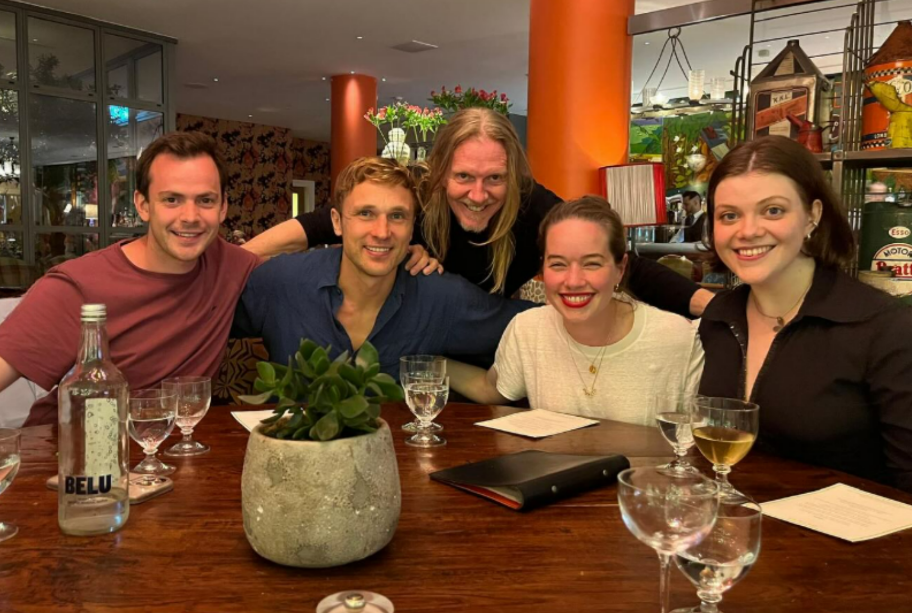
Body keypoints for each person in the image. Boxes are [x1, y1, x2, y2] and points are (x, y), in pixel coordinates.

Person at [243, 108, 714, 318]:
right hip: (415, 345)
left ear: (514, 177)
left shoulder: (533, 207)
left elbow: (624, 266)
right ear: (440, 172)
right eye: (464, 177)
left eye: (495, 179)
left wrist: (714, 307)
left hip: (488, 344)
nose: (478, 194)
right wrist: (236, 264)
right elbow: (315, 226)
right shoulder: (415, 199)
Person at [0, 132, 261, 426]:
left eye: (205, 200)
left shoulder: (232, 266)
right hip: (66, 445)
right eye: (171, 199)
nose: (190, 216)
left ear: (223, 207)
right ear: (143, 205)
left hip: (166, 445)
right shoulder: (80, 285)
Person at [698, 135, 912, 492]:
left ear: (812, 215)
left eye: (773, 210)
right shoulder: (720, 317)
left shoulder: (885, 328)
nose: (748, 231)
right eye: (729, 215)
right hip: (736, 521)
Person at [233, 157, 531, 378]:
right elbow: (209, 311)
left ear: (412, 228)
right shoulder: (281, 282)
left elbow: (534, 327)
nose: (382, 231)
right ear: (337, 222)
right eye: (366, 213)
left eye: (397, 216)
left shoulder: (441, 297)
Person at [448, 196, 703, 425]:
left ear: (620, 269)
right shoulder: (528, 329)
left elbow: (701, 442)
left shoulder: (678, 340)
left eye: (591, 264)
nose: (573, 281)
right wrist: (429, 361)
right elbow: (491, 389)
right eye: (558, 264)